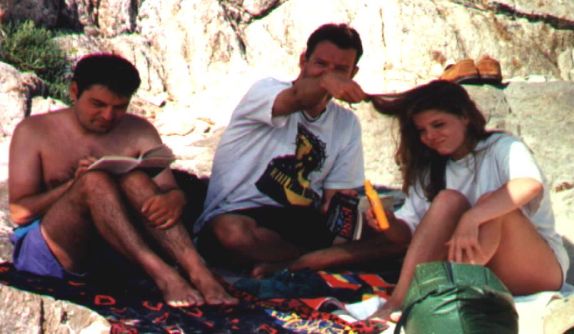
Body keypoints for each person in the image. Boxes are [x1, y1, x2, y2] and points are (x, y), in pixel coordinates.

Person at [8, 53, 238, 307]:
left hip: (115, 248)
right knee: (94, 181)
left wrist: (174, 198)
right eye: (98, 104)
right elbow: (19, 212)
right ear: (74, 91)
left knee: (135, 178)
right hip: (54, 250)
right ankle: (163, 274)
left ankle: (199, 272)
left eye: (119, 107)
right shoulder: (35, 131)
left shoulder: (138, 130)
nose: (108, 116)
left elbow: (169, 189)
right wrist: (73, 185)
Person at [194, 23, 407, 277]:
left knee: (396, 236)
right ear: (303, 60)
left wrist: (353, 221)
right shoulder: (266, 90)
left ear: (353, 73)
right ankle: (317, 262)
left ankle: (294, 264)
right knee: (232, 233)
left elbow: (336, 199)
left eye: (341, 70)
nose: (330, 75)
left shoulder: (346, 123)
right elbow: (296, 97)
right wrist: (327, 81)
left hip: (299, 223)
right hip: (239, 214)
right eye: (320, 64)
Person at [366, 80, 569, 318]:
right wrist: (387, 223)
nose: (430, 136)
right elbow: (411, 232)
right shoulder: (430, 169)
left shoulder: (501, 146)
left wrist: (472, 218)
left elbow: (529, 184)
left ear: (464, 117)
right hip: (485, 271)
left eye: (438, 124)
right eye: (422, 130)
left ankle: (454, 285)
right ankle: (398, 302)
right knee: (448, 201)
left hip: (536, 268)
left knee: (492, 201)